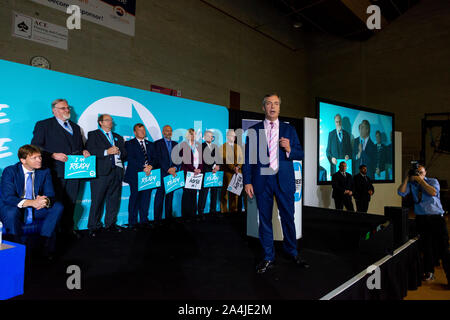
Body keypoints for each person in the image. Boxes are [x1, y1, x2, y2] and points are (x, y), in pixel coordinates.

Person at [243, 93, 308, 274]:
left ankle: (292, 252)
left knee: (288, 217)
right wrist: (247, 181)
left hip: (283, 180)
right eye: (269, 103)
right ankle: (268, 257)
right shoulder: (254, 131)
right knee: (264, 220)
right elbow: (248, 159)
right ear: (263, 107)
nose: (273, 106)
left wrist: (289, 149)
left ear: (280, 107)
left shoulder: (289, 130)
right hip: (262, 179)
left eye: (276, 103)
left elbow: (300, 154)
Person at [31, 98, 90, 238]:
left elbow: (79, 147)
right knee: (56, 203)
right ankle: (54, 233)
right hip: (54, 171)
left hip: (75, 171)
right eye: (63, 108)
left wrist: (84, 151)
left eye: (67, 107)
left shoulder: (75, 128)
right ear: (54, 110)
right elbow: (35, 146)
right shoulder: (43, 125)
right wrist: (53, 155)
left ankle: (68, 230)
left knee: (71, 202)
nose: (67, 110)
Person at [0, 145, 63, 258]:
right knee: (11, 212)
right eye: (34, 158)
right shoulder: (10, 171)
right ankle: (16, 250)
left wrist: (44, 201)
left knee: (57, 206)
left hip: (36, 208)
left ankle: (45, 244)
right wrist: (31, 202)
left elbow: (50, 194)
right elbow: (8, 197)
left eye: (40, 157)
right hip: (16, 206)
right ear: (23, 160)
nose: (39, 160)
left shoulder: (45, 171)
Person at [397, 165, 449, 284]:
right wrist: (407, 178)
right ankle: (429, 273)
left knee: (444, 248)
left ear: (425, 172)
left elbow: (432, 192)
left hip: (436, 219)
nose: (418, 174)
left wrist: (420, 180)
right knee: (426, 248)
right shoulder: (412, 184)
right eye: (416, 172)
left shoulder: (432, 181)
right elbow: (401, 192)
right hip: (421, 219)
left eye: (421, 172)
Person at [86, 114, 127, 237]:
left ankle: (110, 224)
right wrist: (106, 152)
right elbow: (90, 150)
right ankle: (94, 226)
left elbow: (125, 154)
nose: (110, 122)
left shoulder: (118, 137)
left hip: (116, 172)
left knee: (113, 200)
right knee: (97, 201)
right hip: (101, 173)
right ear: (100, 122)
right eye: (107, 120)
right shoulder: (93, 135)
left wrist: (119, 152)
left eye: (111, 120)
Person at [124, 123, 157, 230]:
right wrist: (144, 167)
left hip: (149, 175)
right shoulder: (129, 144)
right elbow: (130, 158)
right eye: (140, 130)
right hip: (135, 175)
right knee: (135, 198)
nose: (142, 132)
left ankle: (144, 220)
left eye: (143, 130)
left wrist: (150, 166)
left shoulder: (150, 144)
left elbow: (155, 158)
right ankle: (132, 222)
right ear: (135, 132)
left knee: (146, 198)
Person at [153, 125, 179, 224]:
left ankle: (168, 219)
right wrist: (168, 169)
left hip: (172, 175)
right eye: (167, 131)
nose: (169, 132)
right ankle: (157, 220)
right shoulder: (157, 144)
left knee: (170, 198)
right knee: (159, 198)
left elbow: (178, 158)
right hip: (162, 175)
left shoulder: (176, 144)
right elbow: (157, 159)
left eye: (170, 131)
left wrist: (175, 168)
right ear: (163, 132)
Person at [179, 129, 203, 222]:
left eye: (194, 134)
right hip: (187, 173)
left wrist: (199, 169)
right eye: (191, 134)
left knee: (194, 194)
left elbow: (201, 160)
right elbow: (185, 160)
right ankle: (186, 216)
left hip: (197, 174)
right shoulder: (184, 146)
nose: (193, 136)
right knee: (187, 195)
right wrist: (194, 169)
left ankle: (193, 214)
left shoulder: (198, 146)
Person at [198, 130, 220, 220]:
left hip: (215, 173)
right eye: (208, 136)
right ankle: (200, 212)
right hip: (206, 172)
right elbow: (204, 159)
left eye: (211, 136)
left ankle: (213, 210)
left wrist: (218, 166)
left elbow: (218, 158)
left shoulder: (215, 146)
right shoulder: (201, 146)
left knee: (214, 192)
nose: (210, 137)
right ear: (204, 137)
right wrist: (213, 166)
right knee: (204, 193)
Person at [220, 129, 243, 214]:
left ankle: (234, 210)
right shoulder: (222, 147)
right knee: (225, 193)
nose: (234, 137)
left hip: (237, 173)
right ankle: (224, 211)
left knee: (235, 193)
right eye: (232, 135)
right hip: (227, 172)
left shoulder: (238, 147)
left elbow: (241, 158)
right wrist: (233, 167)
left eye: (234, 136)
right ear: (227, 136)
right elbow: (225, 158)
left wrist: (238, 166)